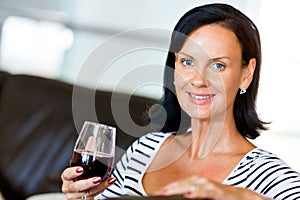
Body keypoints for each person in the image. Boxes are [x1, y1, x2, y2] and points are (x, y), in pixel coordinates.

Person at [61, 3, 300, 200]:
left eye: (218, 65)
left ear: (246, 74)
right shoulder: (144, 150)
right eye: (187, 62)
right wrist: (83, 197)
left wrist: (239, 196)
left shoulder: (266, 174)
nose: (198, 80)